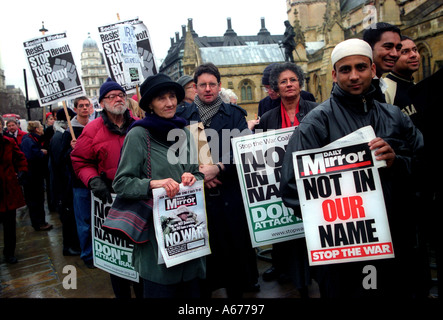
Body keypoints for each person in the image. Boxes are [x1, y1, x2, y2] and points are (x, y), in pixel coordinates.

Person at [280, 38, 424, 298]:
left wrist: (396, 163)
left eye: (361, 67)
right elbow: (291, 188)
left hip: (398, 242)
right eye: (345, 70)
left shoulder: (394, 116)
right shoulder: (316, 122)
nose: (354, 76)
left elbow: (426, 168)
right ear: (334, 75)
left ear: (373, 69)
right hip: (344, 255)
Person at [112, 73, 206, 298]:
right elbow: (121, 183)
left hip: (190, 239)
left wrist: (192, 179)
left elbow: (197, 174)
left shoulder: (185, 132)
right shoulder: (138, 134)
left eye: (172, 96)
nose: (170, 103)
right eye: (161, 98)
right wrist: (153, 184)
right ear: (151, 105)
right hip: (157, 243)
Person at [175, 62, 259, 298]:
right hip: (198, 198)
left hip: (230, 196)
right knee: (204, 260)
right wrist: (204, 174)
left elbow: (244, 153)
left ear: (220, 86)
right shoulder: (183, 117)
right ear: (195, 87)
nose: (208, 89)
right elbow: (179, 154)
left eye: (213, 84)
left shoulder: (235, 115)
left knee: (234, 259)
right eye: (203, 85)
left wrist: (219, 168)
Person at [70, 78, 142, 298]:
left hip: (139, 195)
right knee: (117, 255)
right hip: (109, 198)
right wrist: (92, 180)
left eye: (121, 94)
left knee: (140, 251)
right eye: (112, 96)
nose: (118, 98)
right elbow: (80, 160)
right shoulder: (92, 129)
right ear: (102, 103)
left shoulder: (139, 124)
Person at [254, 62, 318, 296]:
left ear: (300, 83)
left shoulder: (317, 109)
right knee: (292, 237)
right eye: (283, 81)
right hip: (284, 186)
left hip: (314, 183)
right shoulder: (268, 118)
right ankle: (298, 281)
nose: (289, 84)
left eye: (293, 80)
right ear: (276, 88)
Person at [48, 107, 80, 256]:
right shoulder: (59, 137)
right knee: (68, 217)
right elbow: (60, 163)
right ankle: (69, 246)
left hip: (63, 183)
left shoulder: (60, 135)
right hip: (63, 185)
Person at [0, 116, 28, 264]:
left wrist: (22, 172)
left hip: (8, 189)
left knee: (10, 224)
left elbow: (21, 158)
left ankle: (9, 252)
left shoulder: (9, 142)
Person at [20, 121, 53, 231]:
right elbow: (30, 155)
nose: (42, 129)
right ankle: (39, 223)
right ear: (37, 129)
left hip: (34, 175)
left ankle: (40, 222)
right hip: (31, 177)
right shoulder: (28, 140)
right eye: (40, 127)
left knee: (37, 200)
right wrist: (41, 152)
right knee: (35, 200)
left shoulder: (31, 139)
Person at [363, 22, 402, 102]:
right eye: (388, 47)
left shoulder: (379, 85)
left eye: (398, 48)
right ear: (369, 48)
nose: (395, 54)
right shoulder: (359, 89)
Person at [384, 35, 420, 121]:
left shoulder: (418, 88)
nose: (413, 55)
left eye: (415, 50)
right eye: (405, 52)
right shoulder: (385, 90)